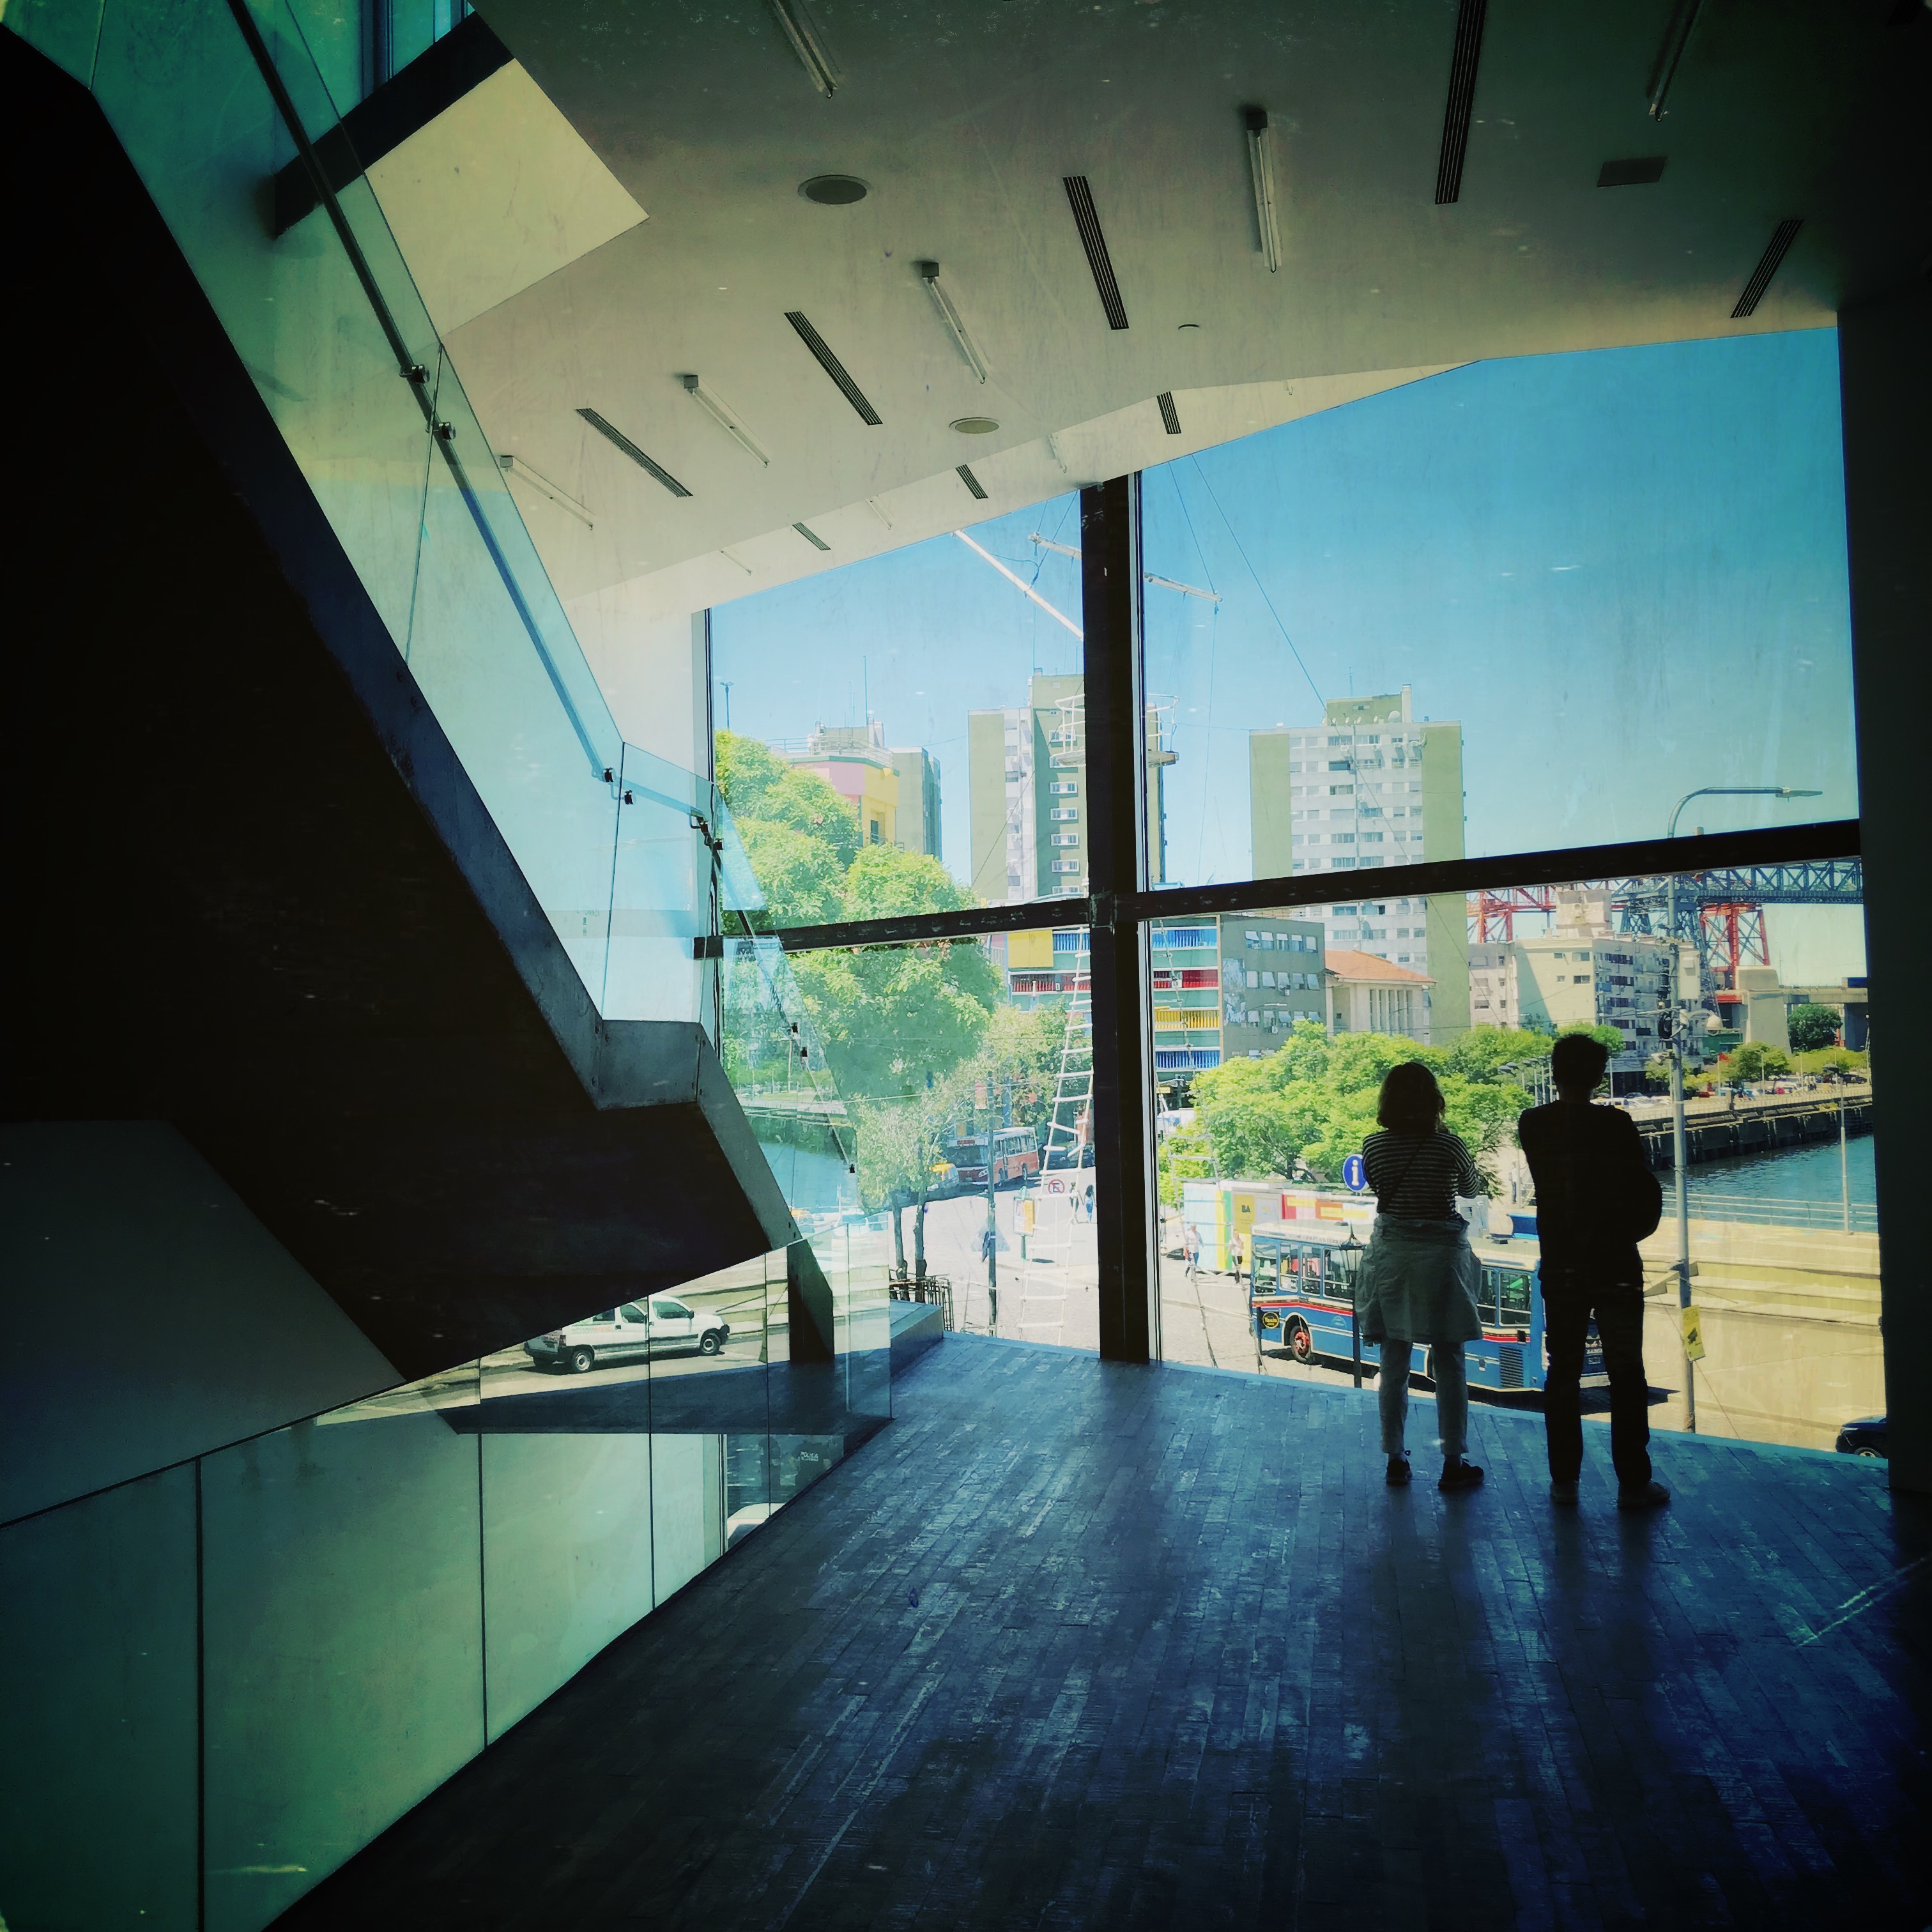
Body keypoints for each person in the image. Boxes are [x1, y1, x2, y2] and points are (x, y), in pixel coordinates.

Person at [1517, 1034, 1671, 1510]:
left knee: (1563, 1370)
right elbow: (1641, 1185)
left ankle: (1564, 1482)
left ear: (1555, 1073)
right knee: (1627, 1372)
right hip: (1615, 1262)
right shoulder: (1617, 1124)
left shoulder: (1532, 1123)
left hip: (1562, 1262)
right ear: (1599, 1077)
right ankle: (1633, 1483)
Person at [1356, 1062, 1486, 1492]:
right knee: (1449, 1362)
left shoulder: (1373, 1145)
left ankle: (1395, 1458)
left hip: (1393, 1257)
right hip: (1442, 1259)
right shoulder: (1449, 1145)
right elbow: (1470, 1189)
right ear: (1433, 1100)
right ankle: (1453, 1462)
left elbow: (1379, 1188)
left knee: (1393, 1361)